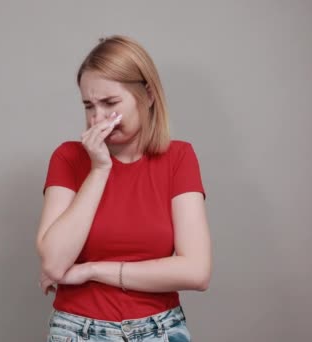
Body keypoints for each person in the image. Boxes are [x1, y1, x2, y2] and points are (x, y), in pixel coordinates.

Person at [35, 35, 211, 342]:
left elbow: (196, 271)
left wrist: (92, 270)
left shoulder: (179, 158)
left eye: (110, 103)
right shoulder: (68, 158)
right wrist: (100, 169)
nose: (97, 117)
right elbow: (54, 262)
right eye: (89, 105)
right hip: (77, 331)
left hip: (160, 330)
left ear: (148, 95)